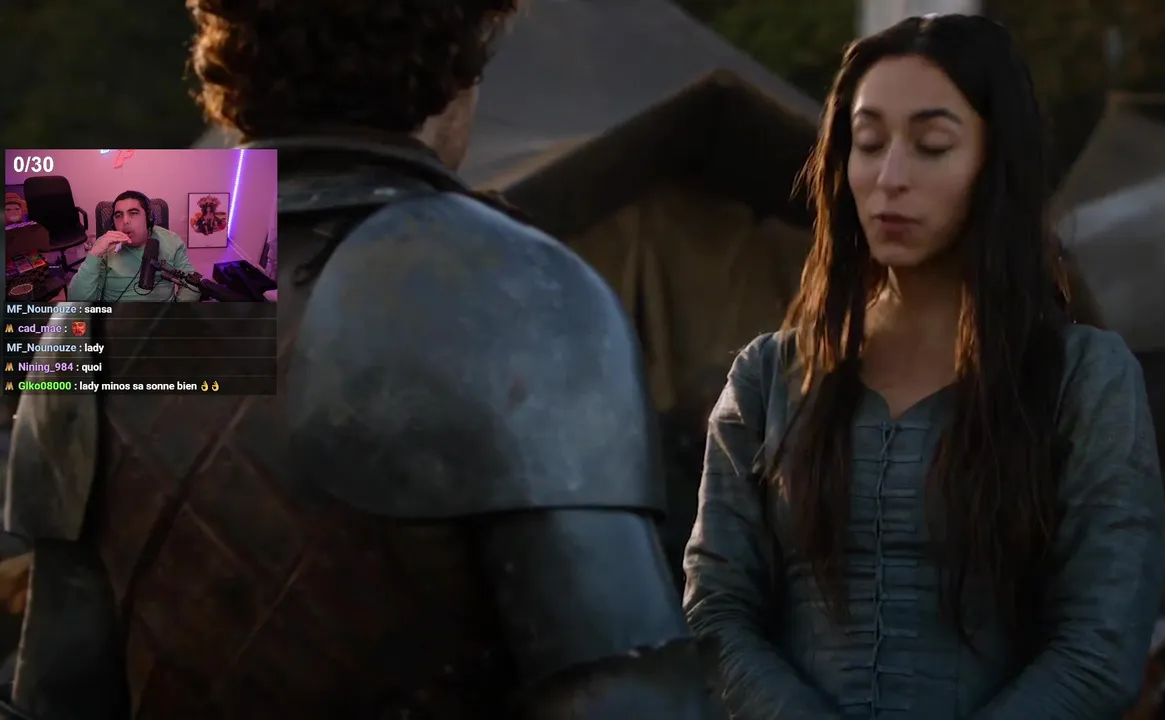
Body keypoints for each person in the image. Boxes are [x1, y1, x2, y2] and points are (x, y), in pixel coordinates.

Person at [2, 0, 717, 718]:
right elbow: (624, 688)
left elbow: (58, 686)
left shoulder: (108, 286)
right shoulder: (516, 283)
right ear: (452, 69)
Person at [683, 15, 1165, 720]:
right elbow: (716, 611)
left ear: (995, 165)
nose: (890, 178)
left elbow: (1101, 647)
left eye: (932, 146)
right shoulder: (767, 379)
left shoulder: (1083, 380)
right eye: (868, 143)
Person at [65, 190, 200, 302]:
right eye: (118, 215)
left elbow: (192, 285)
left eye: (133, 213)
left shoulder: (171, 241)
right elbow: (77, 300)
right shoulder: (103, 246)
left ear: (149, 218)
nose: (125, 221)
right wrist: (94, 255)